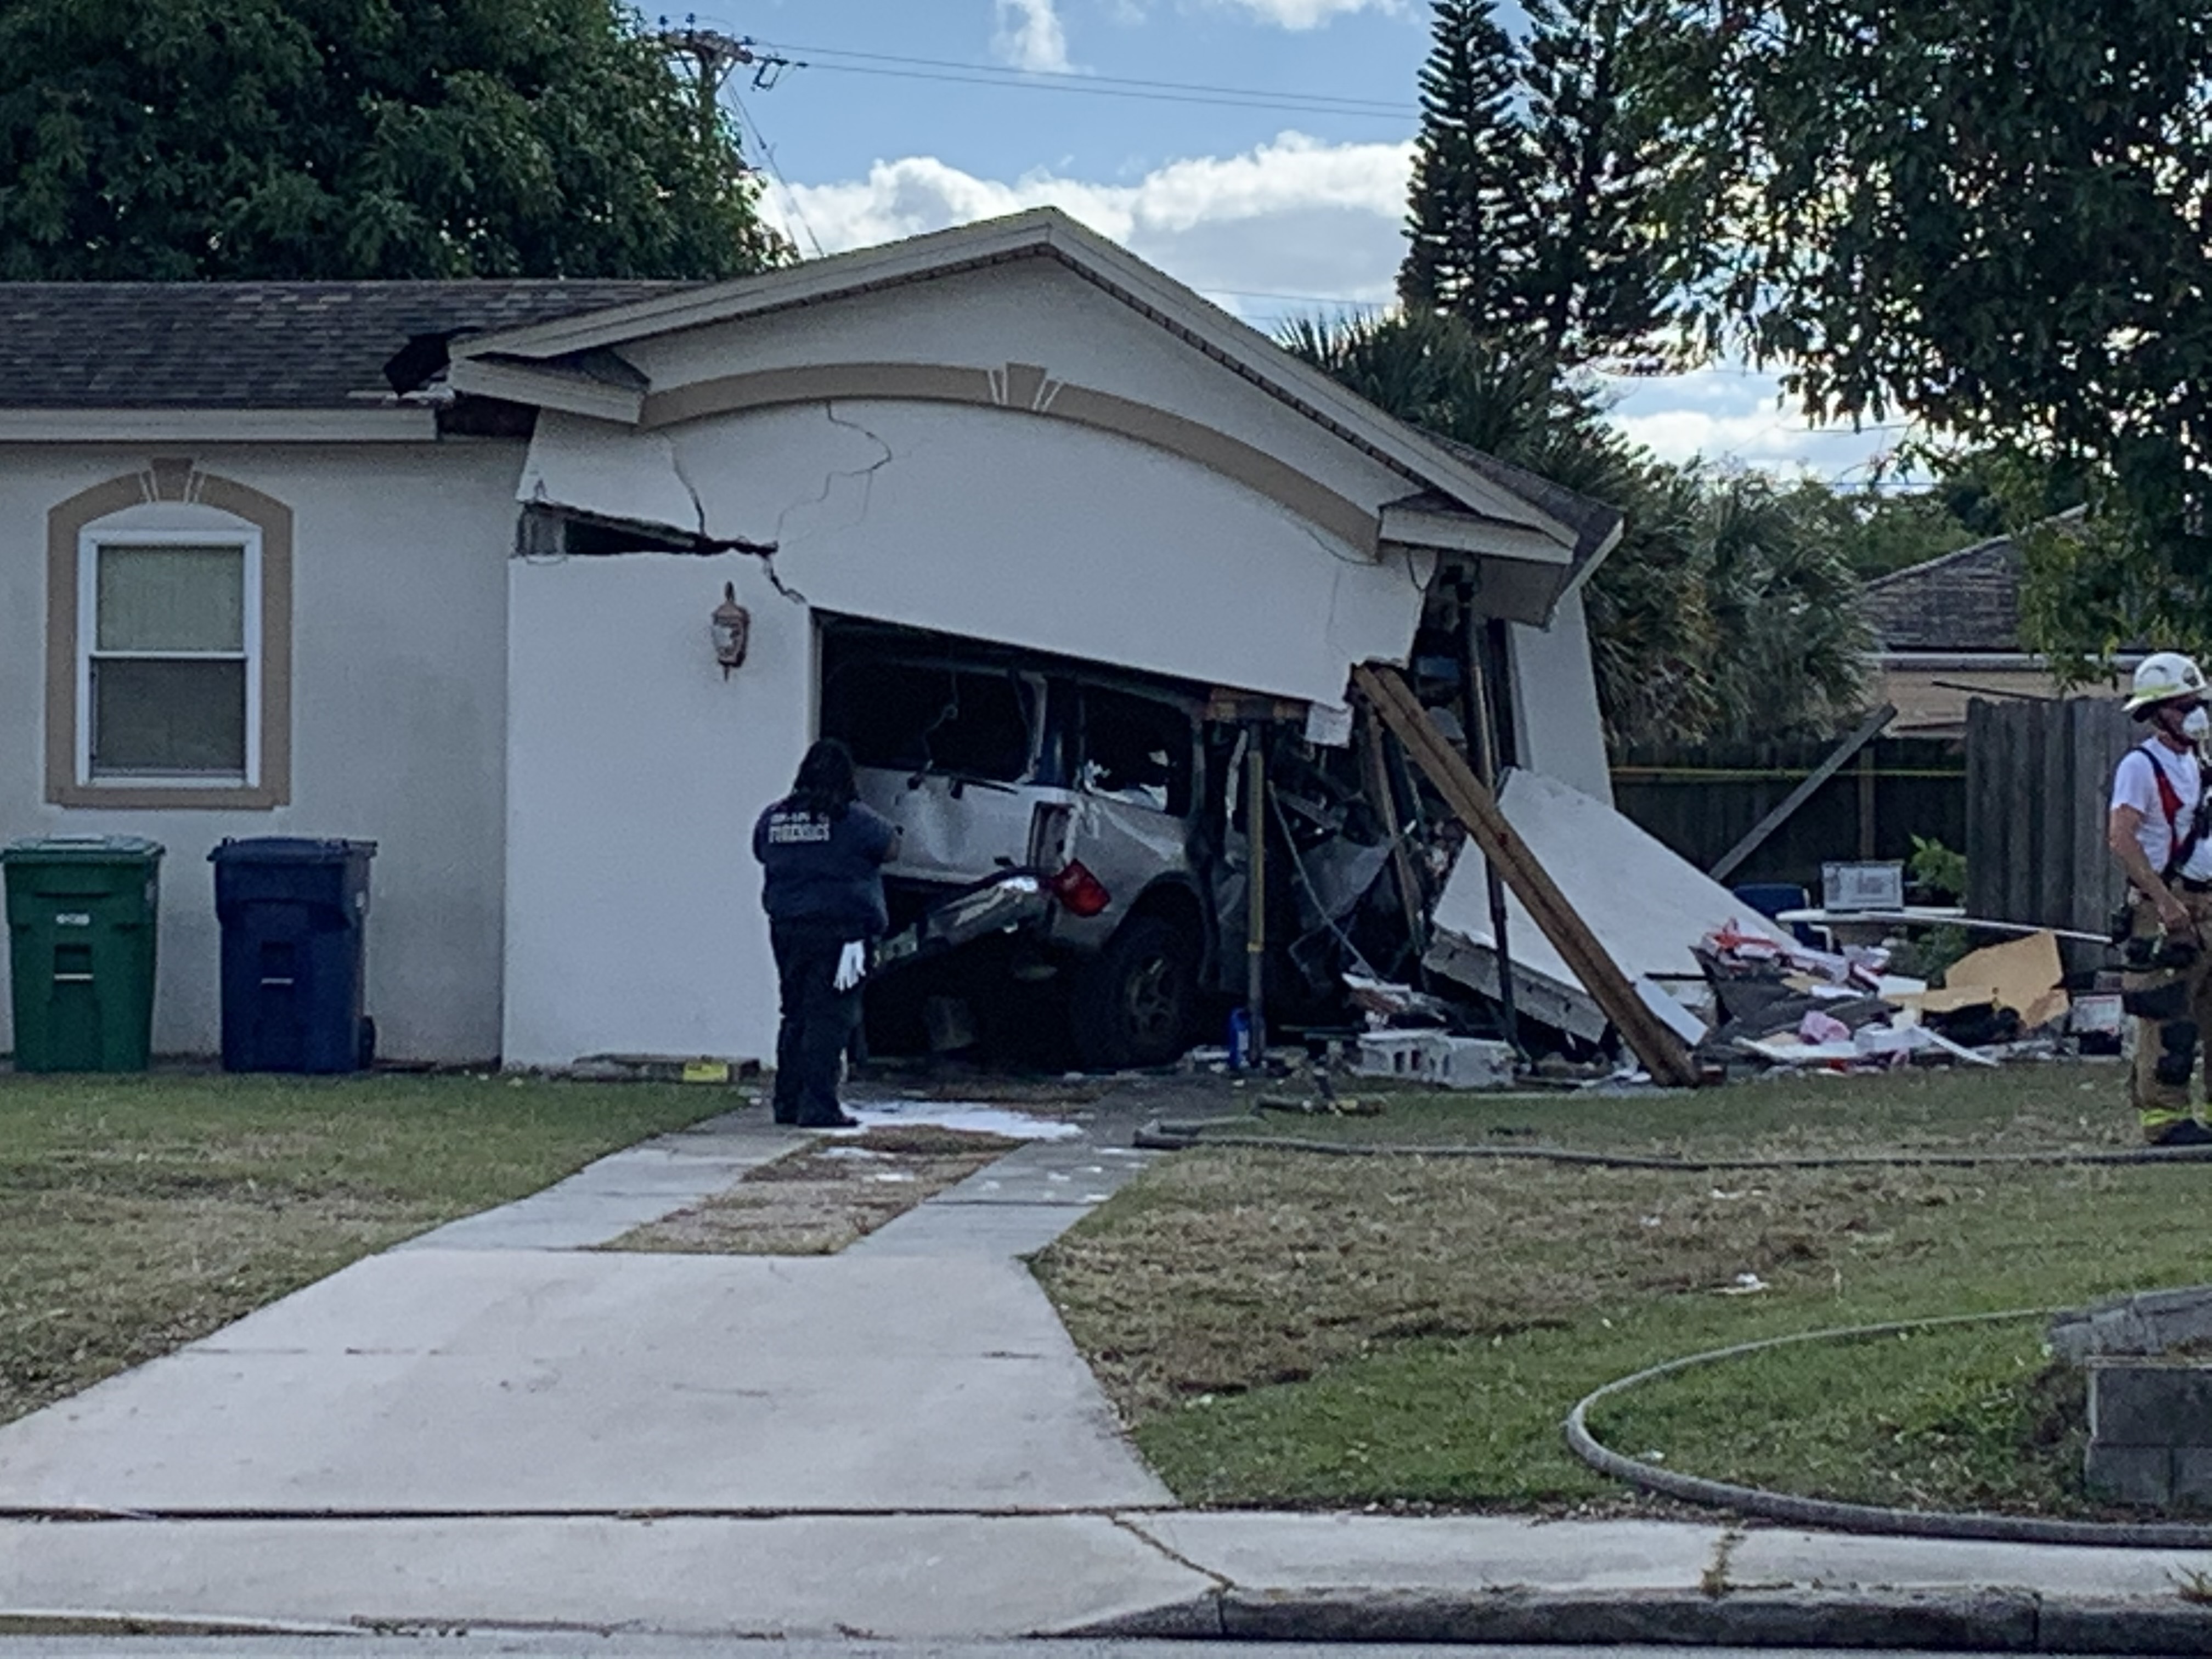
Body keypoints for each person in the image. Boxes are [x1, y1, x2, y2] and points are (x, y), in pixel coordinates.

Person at [753, 738, 898, 1129]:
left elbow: (760, 851)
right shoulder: (853, 818)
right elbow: (891, 847)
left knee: (795, 1014)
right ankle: (818, 1106)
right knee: (830, 1018)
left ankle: (787, 1102)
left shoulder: (774, 818)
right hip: (843, 935)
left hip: (787, 929)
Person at [2107, 651, 2212, 1147]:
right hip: (2164, 908)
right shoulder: (2141, 766)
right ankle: (2164, 1120)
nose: (2196, 712)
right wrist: (2164, 901)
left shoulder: (2199, 762)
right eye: (2184, 704)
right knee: (2166, 1014)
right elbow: (2122, 838)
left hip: (2206, 901)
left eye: (2198, 701)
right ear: (2157, 712)